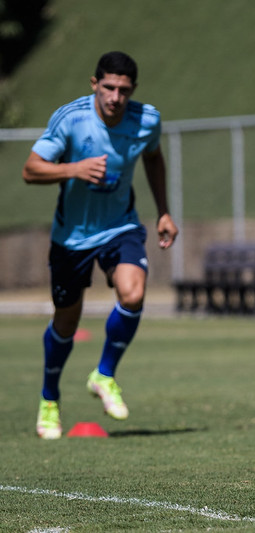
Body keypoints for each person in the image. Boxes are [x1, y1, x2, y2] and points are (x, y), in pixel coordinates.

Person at [23, 51, 178, 439]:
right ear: (95, 84)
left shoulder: (147, 120)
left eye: (124, 90)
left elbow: (154, 159)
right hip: (71, 238)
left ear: (133, 91)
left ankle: (104, 374)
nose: (115, 96)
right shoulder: (70, 118)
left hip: (120, 227)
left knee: (133, 293)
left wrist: (163, 211)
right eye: (108, 87)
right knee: (67, 321)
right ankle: (49, 400)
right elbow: (31, 169)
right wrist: (73, 168)